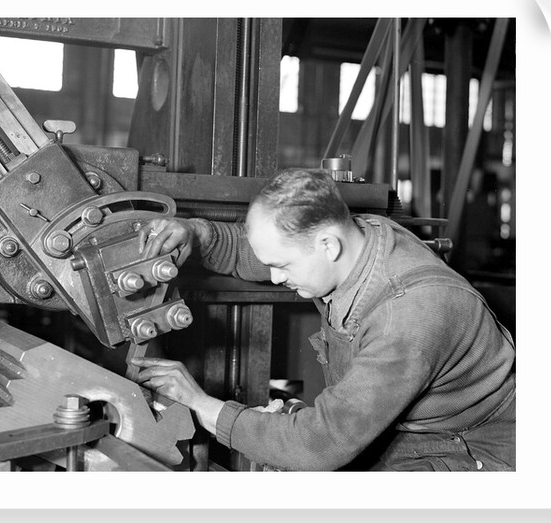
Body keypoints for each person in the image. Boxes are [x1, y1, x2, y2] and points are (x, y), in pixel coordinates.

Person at [131, 168, 515, 471]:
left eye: (283, 267)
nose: (276, 278)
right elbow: (252, 255)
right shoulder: (358, 238)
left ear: (328, 245)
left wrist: (200, 404)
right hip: (414, 430)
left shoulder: (410, 315)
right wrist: (194, 232)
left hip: (475, 449)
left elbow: (321, 445)